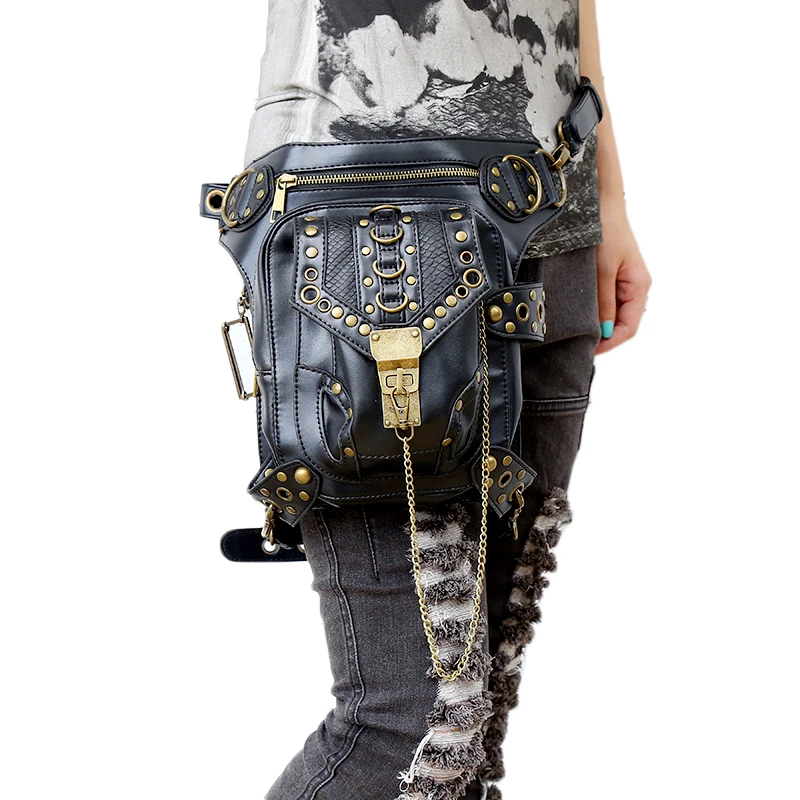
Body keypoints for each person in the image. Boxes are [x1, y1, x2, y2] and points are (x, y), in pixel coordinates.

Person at [241, 2, 651, 798]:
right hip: (363, 228)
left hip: (553, 221)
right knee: (409, 723)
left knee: (473, 725)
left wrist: (608, 195)